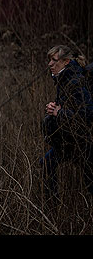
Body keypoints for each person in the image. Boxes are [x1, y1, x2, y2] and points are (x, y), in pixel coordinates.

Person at [40, 45, 93, 202]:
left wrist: (58, 113)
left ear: (66, 62)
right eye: (50, 60)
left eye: (54, 60)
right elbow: (69, 106)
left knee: (90, 182)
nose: (50, 64)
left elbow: (87, 114)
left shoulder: (75, 81)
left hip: (81, 142)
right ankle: (53, 206)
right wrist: (55, 107)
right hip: (67, 139)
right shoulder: (63, 79)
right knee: (46, 164)